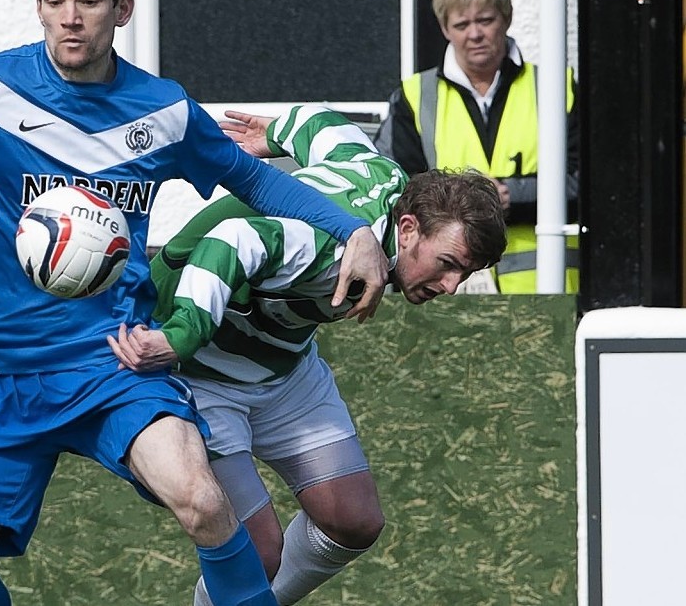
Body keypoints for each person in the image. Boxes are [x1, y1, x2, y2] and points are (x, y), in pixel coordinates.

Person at [0, 0, 392, 606]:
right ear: (39, 4)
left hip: (111, 359)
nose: (69, 17)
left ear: (123, 8)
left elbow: (256, 183)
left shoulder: (162, 109)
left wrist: (353, 233)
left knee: (201, 495)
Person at [108, 105, 508, 605]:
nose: (450, 287)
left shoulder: (386, 175)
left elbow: (327, 127)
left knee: (355, 521)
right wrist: (182, 336)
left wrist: (271, 134)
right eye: (448, 264)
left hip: (284, 366)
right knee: (259, 554)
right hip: (200, 372)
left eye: (463, 274)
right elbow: (232, 241)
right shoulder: (334, 249)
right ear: (408, 229)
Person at [374, 0, 579, 293]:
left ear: (507, 17)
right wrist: (471, 205)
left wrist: (512, 196)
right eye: (461, 24)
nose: (474, 34)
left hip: (545, 299)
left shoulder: (557, 88)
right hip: (444, 300)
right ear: (444, 27)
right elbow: (392, 191)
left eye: (486, 20)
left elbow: (589, 185)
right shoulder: (414, 96)